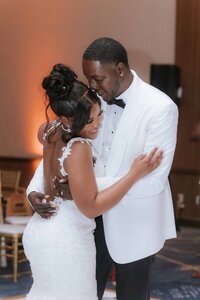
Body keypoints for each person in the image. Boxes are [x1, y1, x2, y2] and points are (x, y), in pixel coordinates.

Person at [27, 37, 178, 300]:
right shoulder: (88, 103)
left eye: (97, 79)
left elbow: (154, 180)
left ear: (119, 69)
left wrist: (83, 187)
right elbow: (55, 150)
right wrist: (34, 190)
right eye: (88, 78)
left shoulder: (160, 108)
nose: (92, 86)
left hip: (134, 225)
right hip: (85, 226)